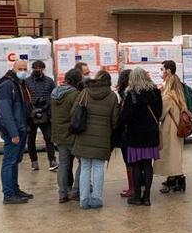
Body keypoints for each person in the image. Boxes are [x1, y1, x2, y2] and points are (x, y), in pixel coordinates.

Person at [71, 70, 120, 209]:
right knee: (99, 167)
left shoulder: (85, 92)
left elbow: (73, 112)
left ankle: (84, 200)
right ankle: (97, 198)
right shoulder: (112, 96)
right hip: (103, 137)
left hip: (84, 136)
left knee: (85, 167)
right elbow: (115, 120)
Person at [119, 68, 162, 206]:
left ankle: (137, 196)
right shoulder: (155, 92)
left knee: (136, 165)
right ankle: (147, 197)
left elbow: (125, 117)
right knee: (148, 164)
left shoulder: (130, 94)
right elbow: (159, 112)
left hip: (135, 135)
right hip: (151, 134)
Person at [0, 60, 32, 205]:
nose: (23, 71)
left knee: (15, 161)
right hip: (13, 131)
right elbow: (6, 111)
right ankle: (9, 194)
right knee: (9, 162)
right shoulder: (7, 85)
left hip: (21, 128)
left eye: (25, 68)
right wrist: (13, 133)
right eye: (20, 68)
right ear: (14, 68)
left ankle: (15, 189)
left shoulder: (19, 84)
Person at [51, 68, 82, 203]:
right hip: (71, 134)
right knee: (83, 162)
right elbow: (76, 115)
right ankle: (76, 190)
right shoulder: (75, 94)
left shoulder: (54, 93)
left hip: (58, 133)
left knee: (63, 164)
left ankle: (62, 193)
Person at [155, 72, 187, 193]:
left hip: (170, 128)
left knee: (169, 155)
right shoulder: (180, 95)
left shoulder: (168, 96)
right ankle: (179, 179)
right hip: (179, 128)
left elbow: (161, 114)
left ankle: (172, 180)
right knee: (176, 155)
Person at [24, 60, 57, 171]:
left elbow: (54, 96)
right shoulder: (26, 81)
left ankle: (52, 160)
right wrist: (32, 109)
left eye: (40, 68)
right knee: (31, 139)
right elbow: (25, 98)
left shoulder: (49, 81)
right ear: (32, 69)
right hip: (31, 115)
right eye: (35, 68)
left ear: (43, 69)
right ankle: (34, 161)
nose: (37, 70)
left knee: (49, 138)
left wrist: (46, 108)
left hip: (46, 113)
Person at [115, 69, 134, 198]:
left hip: (125, 134)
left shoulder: (123, 95)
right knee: (137, 161)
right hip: (135, 133)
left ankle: (132, 188)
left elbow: (122, 116)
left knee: (129, 162)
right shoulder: (135, 93)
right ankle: (136, 186)